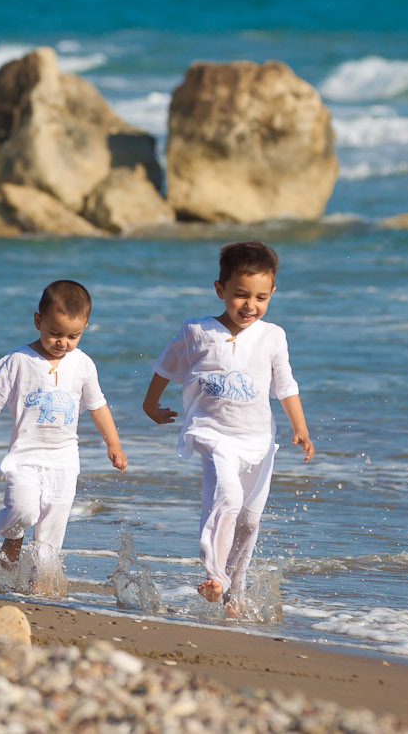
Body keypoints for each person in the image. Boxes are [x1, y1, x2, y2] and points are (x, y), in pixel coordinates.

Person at [142, 241, 313, 616]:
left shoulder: (273, 336)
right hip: (214, 435)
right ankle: (215, 576)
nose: (250, 305)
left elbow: (284, 385)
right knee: (229, 499)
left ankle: (236, 591)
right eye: (240, 295)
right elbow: (165, 367)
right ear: (220, 290)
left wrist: (299, 427)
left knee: (249, 522)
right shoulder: (197, 332)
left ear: (272, 295)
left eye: (260, 297)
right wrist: (150, 404)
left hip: (259, 441)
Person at [0, 280, 127, 574]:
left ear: (86, 326)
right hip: (24, 457)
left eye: (73, 336)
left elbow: (98, 406)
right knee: (23, 510)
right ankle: (12, 537)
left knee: (52, 531)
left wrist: (113, 444)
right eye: (55, 333)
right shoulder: (18, 360)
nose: (63, 342)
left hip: (64, 460)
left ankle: (41, 584)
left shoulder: (83, 365)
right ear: (38, 321)